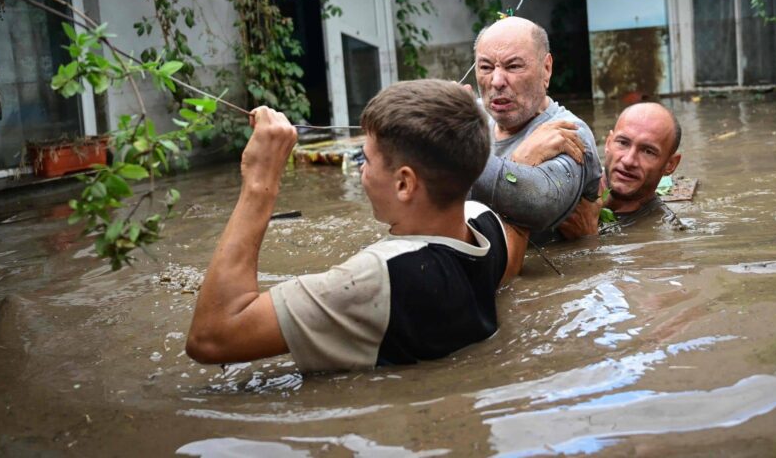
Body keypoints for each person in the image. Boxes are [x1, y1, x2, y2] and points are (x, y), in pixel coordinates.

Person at [186, 80, 528, 372]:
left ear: (404, 184)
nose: (362, 171)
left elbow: (211, 337)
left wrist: (260, 183)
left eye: (365, 159)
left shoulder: (378, 275)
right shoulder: (487, 223)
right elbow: (511, 261)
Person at [467, 16, 603, 242]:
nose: (497, 80)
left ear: (546, 69)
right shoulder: (466, 117)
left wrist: (450, 161)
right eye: (486, 67)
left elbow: (540, 203)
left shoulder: (568, 132)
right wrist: (520, 160)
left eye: (513, 66)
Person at [519, 102, 683, 239]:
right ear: (608, 143)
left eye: (648, 151)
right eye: (623, 143)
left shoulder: (664, 230)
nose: (628, 160)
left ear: (670, 164)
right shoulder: (573, 180)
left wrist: (588, 237)